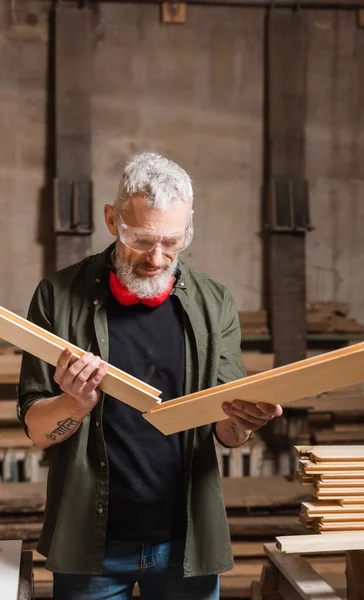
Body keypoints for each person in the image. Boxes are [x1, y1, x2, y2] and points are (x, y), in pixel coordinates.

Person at [18, 152, 283, 600]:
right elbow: (38, 432)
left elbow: (228, 434)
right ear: (111, 219)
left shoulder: (214, 303)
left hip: (185, 544)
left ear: (189, 226)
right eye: (140, 239)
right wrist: (74, 403)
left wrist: (244, 421)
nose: (156, 258)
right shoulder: (57, 296)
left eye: (172, 242)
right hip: (91, 545)